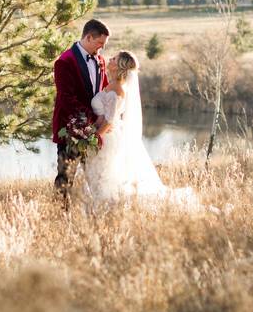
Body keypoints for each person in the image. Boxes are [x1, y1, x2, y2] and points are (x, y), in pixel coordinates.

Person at [81, 50, 202, 211]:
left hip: (106, 138)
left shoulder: (117, 90)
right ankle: (100, 208)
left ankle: (106, 209)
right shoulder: (111, 85)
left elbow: (110, 120)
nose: (110, 58)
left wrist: (94, 138)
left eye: (114, 58)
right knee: (99, 175)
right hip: (103, 134)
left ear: (119, 66)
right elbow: (104, 116)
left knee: (104, 175)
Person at [51, 18, 109, 206]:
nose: (101, 48)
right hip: (70, 130)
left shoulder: (100, 60)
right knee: (66, 175)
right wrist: (93, 120)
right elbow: (67, 99)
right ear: (89, 37)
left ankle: (97, 213)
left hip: (95, 130)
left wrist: (108, 116)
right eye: (100, 43)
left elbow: (104, 89)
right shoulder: (64, 61)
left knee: (96, 176)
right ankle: (59, 214)